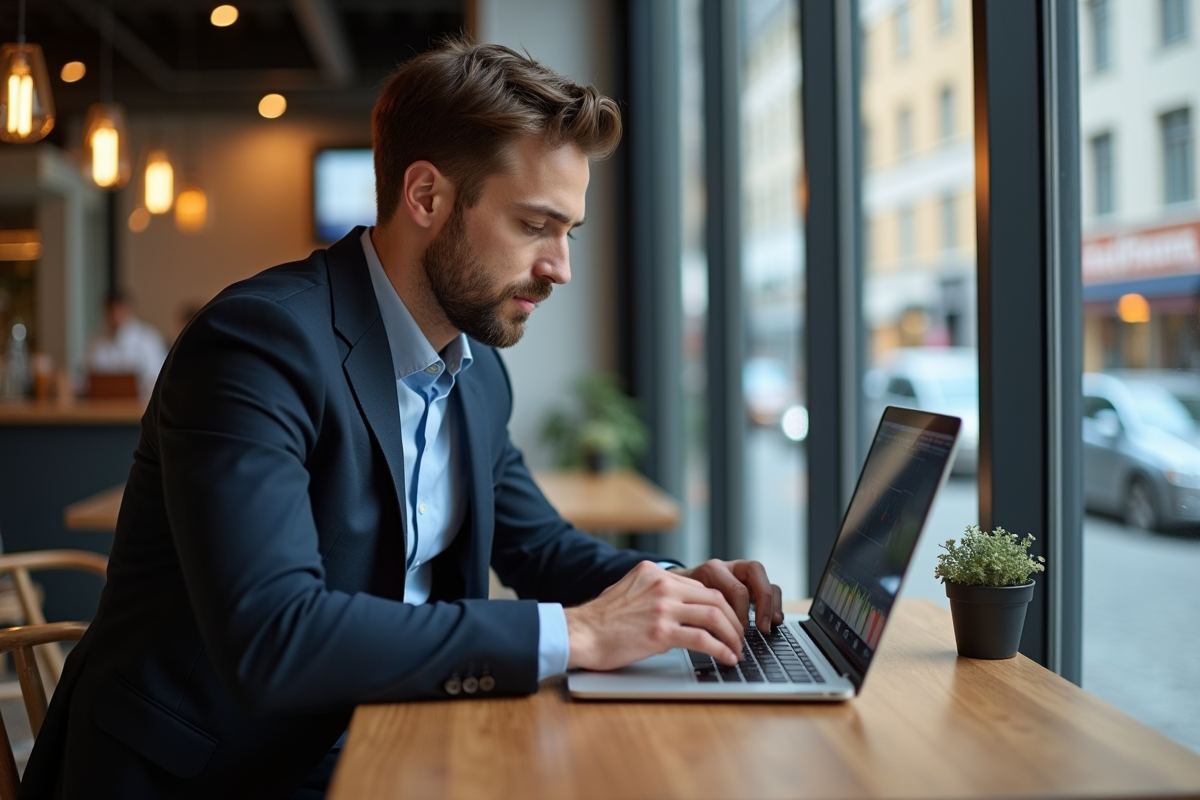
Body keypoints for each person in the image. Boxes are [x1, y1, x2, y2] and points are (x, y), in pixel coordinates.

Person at [20, 38, 783, 799]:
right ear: (426, 198)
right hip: (209, 773)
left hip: (382, 738)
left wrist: (679, 597)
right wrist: (579, 633)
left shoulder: (478, 377)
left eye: (568, 233)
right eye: (534, 226)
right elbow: (274, 635)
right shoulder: (257, 343)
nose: (560, 269)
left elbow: (541, 549)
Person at [85, 290, 168, 398]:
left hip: (140, 407)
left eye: (119, 310)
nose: (115, 316)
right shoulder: (97, 340)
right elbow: (87, 376)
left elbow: (156, 379)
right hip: (102, 405)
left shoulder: (149, 339)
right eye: (110, 311)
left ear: (129, 310)